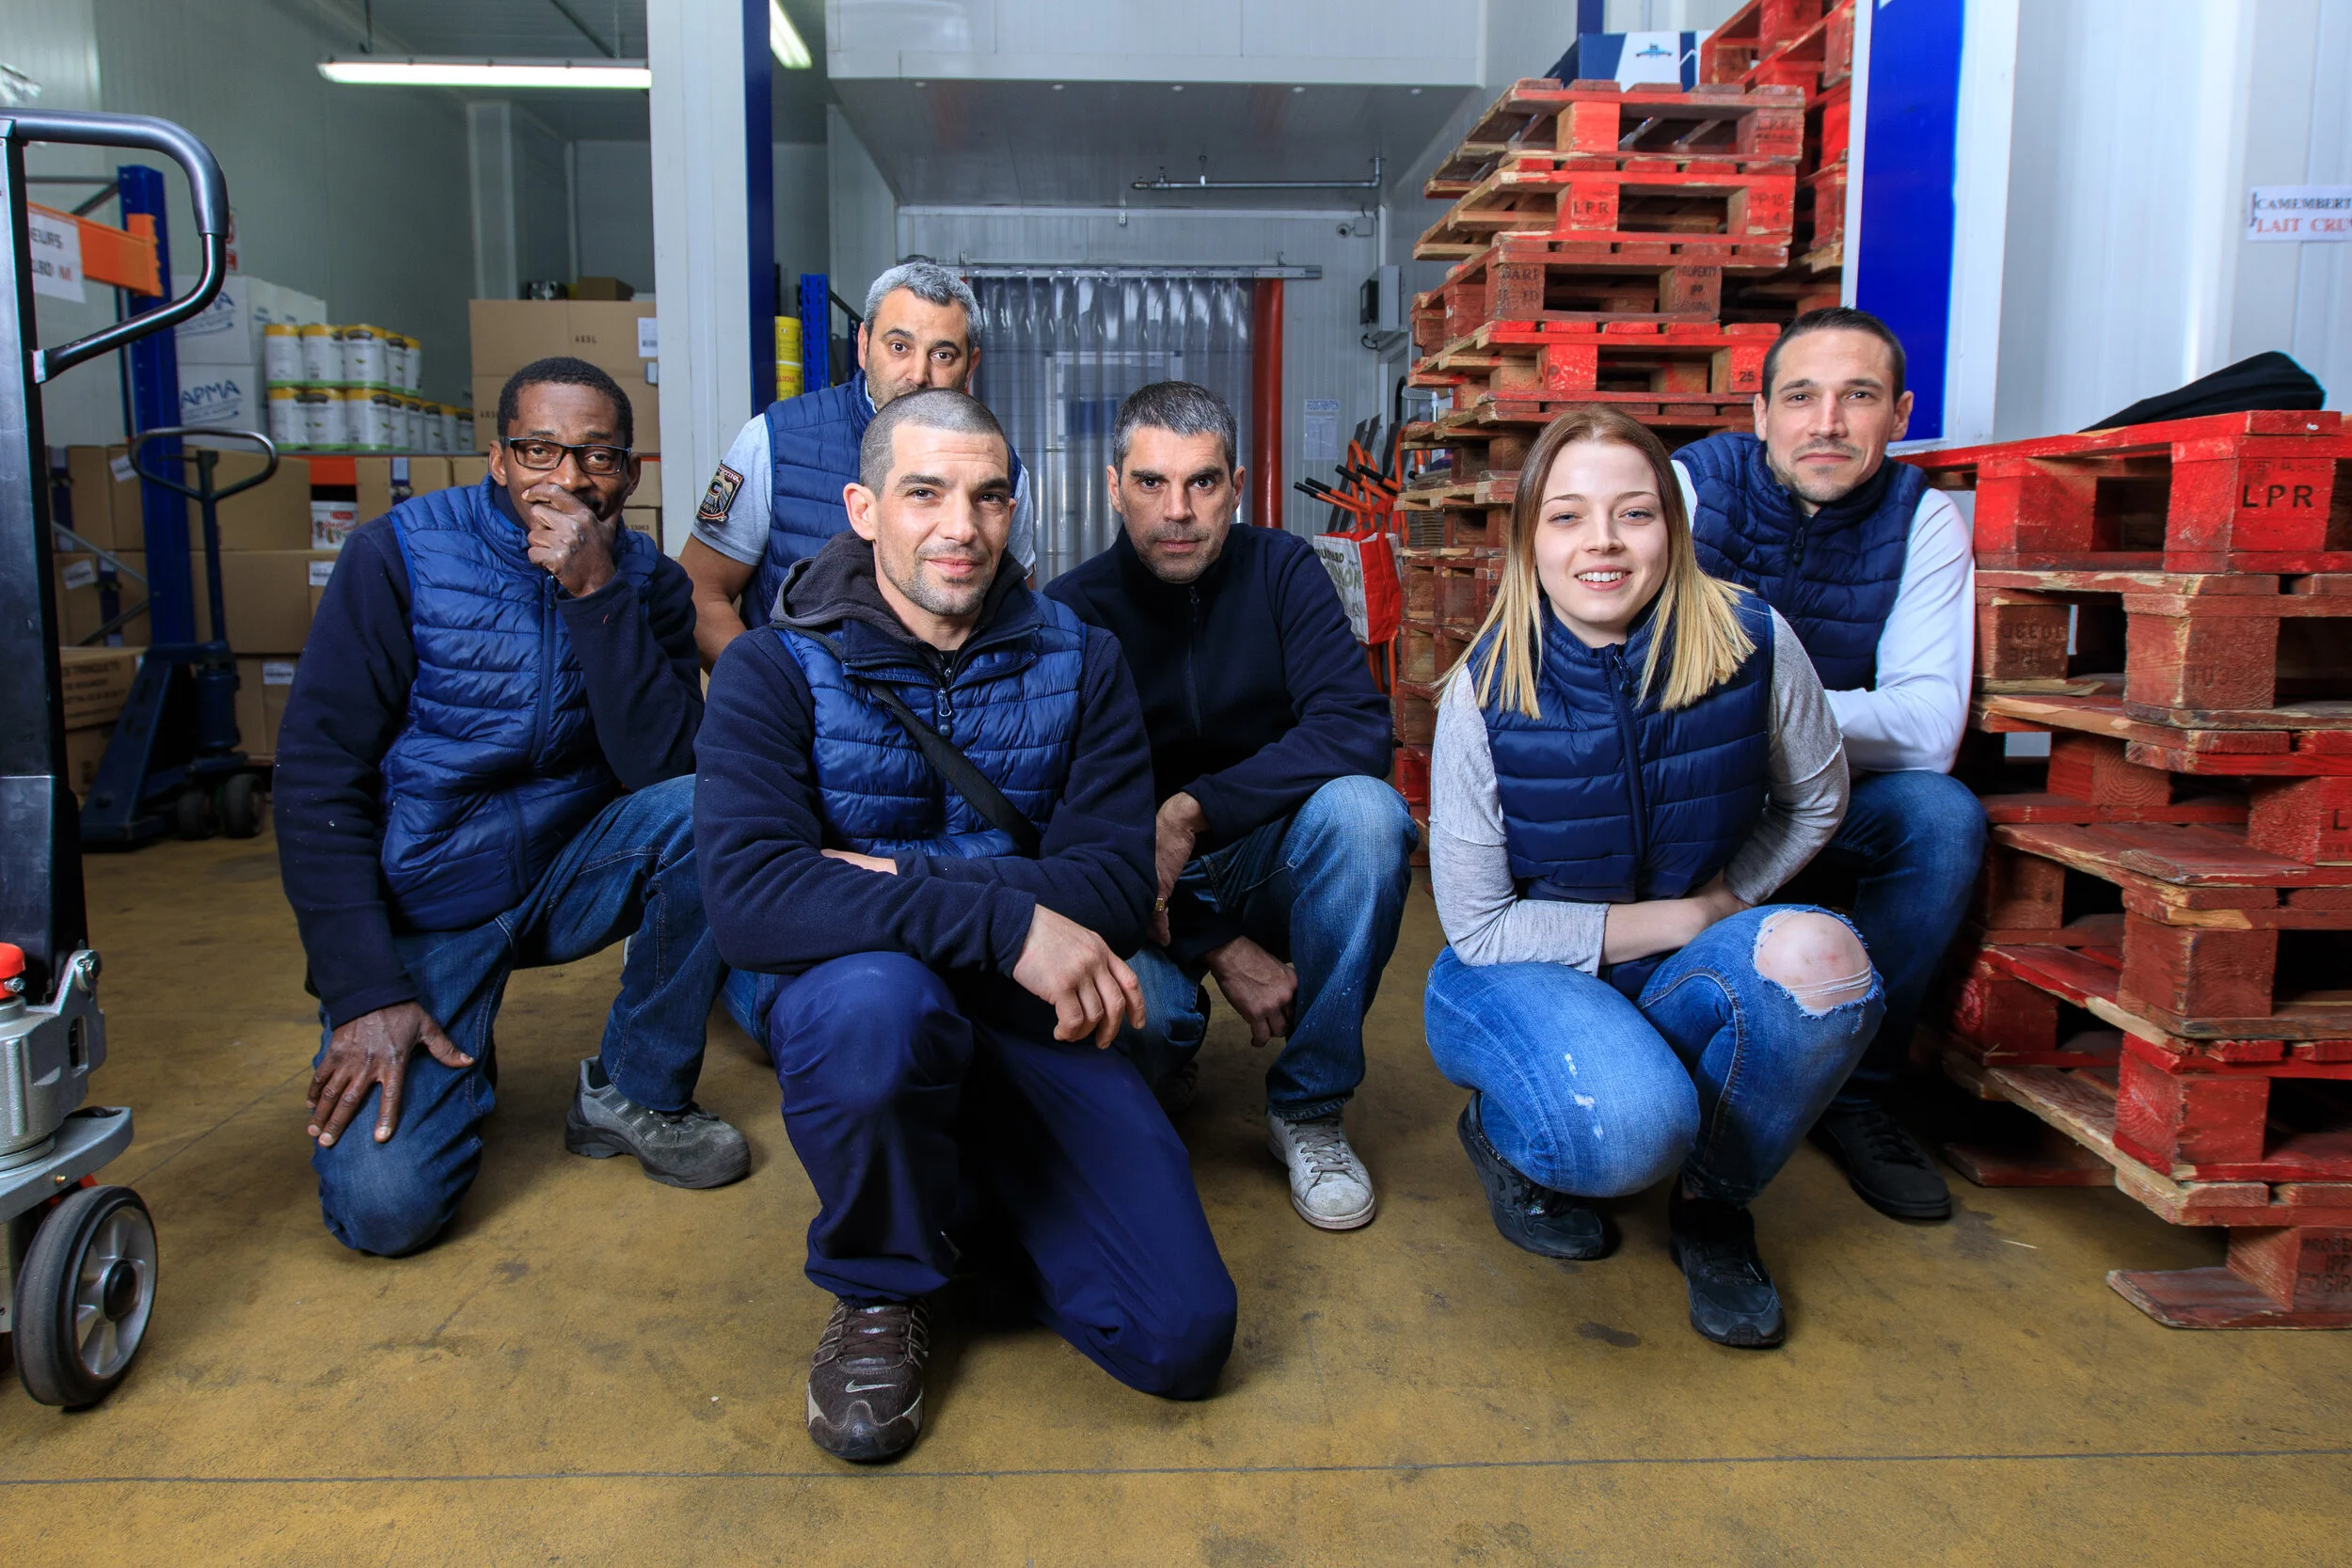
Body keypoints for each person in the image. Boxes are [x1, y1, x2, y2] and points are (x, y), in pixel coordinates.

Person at [695, 388, 1235, 1464]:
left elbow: (1114, 885)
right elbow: (752, 898)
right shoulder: (772, 667)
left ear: (1012, 509)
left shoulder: (1082, 660)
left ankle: (953, 1190)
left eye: (988, 496)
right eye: (924, 493)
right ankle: (879, 1284)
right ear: (864, 509)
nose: (962, 526)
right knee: (877, 1003)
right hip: (865, 1005)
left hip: (1030, 1016)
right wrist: (1010, 920)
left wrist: (893, 875)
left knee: (1181, 1336)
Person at [1424, 405, 1883, 1349]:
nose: (1602, 540)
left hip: (1683, 961)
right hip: (1521, 973)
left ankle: (1714, 1205)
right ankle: (1509, 1134)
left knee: (1826, 960)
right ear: (1529, 539)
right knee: (1633, 1131)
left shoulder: (1752, 641)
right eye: (1567, 515)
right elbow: (1479, 929)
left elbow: (1816, 799)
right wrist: (1686, 916)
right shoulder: (1485, 689)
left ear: (1671, 529)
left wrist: (1733, 900)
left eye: (1633, 512)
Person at [274, 356, 748, 1259]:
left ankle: (634, 1091)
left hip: (568, 866)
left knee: (716, 805)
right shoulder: (398, 554)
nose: (567, 478)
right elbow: (316, 779)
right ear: (497, 458)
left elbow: (664, 765)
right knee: (386, 1210)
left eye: (597, 456)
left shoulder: (644, 580)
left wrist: (596, 595)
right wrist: (365, 990)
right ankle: (449, 1039)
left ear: (629, 474)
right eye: (539, 450)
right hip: (431, 898)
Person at [1046, 382, 1414, 1232]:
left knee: (1368, 817)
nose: (1178, 511)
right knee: (1145, 1032)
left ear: (1237, 486)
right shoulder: (1070, 615)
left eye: (1202, 482)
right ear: (1114, 488)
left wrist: (1189, 809)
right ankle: (1175, 1035)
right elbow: (1066, 824)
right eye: (1151, 482)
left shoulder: (1283, 571)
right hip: (1135, 885)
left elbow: (1356, 727)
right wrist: (1215, 943)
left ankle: (1310, 1105)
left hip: (1265, 854)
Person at [1670, 306, 1983, 1223]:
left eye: (1859, 397)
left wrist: (1752, 706)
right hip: (1694, 793)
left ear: (1900, 413)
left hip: (1830, 798)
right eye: (1801, 396)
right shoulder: (1694, 488)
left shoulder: (1922, 520)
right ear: (1760, 411)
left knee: (1940, 816)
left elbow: (1928, 730)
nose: (1828, 423)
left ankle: (1857, 1093)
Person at [679, 261, 1038, 668]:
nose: (918, 374)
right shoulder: (773, 441)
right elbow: (698, 594)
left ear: (970, 365)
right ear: (864, 345)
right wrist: (772, 692)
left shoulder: (1002, 470)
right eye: (899, 347)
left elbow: (1019, 614)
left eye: (942, 354)